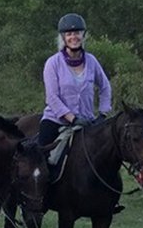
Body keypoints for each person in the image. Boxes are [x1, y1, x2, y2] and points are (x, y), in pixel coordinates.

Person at [39, 13, 112, 147]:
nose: (73, 37)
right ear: (63, 38)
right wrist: (72, 119)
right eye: (69, 34)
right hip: (56, 121)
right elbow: (52, 97)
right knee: (41, 156)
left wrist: (103, 113)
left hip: (87, 121)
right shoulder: (53, 63)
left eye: (77, 33)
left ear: (83, 35)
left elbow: (105, 86)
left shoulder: (91, 61)